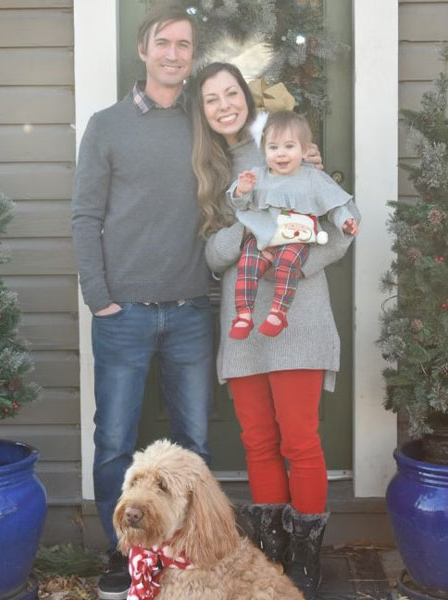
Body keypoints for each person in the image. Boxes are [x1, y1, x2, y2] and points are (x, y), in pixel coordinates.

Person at [191, 62, 360, 600]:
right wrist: (248, 226)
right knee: (257, 442)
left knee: (300, 440)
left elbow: (337, 232)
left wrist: (296, 260)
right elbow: (213, 255)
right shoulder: (214, 170)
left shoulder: (290, 154)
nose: (224, 105)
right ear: (202, 111)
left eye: (231, 93)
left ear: (247, 97)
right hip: (243, 327)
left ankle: (305, 556)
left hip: (299, 321)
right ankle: (269, 551)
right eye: (211, 99)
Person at [71, 6, 213, 600]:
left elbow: (259, 165)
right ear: (143, 50)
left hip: (190, 310)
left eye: (184, 45)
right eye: (164, 43)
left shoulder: (204, 124)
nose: (174, 54)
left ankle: (190, 553)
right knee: (114, 441)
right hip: (122, 313)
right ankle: (121, 553)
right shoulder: (106, 124)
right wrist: (99, 297)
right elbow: (85, 216)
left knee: (195, 444)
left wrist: (303, 161)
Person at [227, 110, 358, 339]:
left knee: (287, 264)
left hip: (293, 238)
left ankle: (278, 311)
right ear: (264, 151)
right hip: (262, 239)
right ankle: (244, 315)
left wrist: (345, 221)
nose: (281, 154)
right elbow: (239, 203)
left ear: (305, 150)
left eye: (289, 146)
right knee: (247, 265)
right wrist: (242, 190)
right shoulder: (258, 175)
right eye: (273, 147)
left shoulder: (312, 178)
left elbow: (334, 204)